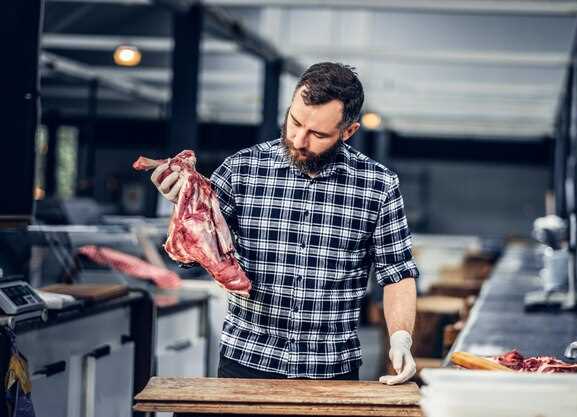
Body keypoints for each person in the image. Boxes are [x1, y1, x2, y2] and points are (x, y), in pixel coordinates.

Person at [151, 62, 419, 384]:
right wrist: (183, 202)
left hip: (331, 370)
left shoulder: (379, 185)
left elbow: (397, 274)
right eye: (294, 121)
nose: (299, 139)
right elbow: (196, 251)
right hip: (246, 362)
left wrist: (401, 338)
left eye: (318, 134)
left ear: (348, 132)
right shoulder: (241, 169)